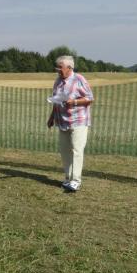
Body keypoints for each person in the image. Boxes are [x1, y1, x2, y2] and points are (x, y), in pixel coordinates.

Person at [47, 55, 94, 192]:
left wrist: (74, 102)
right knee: (64, 150)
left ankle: (76, 181)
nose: (57, 70)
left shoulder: (79, 79)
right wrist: (51, 117)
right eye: (57, 67)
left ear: (69, 68)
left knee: (77, 150)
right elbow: (56, 100)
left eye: (60, 67)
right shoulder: (57, 81)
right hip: (62, 121)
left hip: (78, 120)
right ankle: (68, 178)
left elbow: (90, 98)